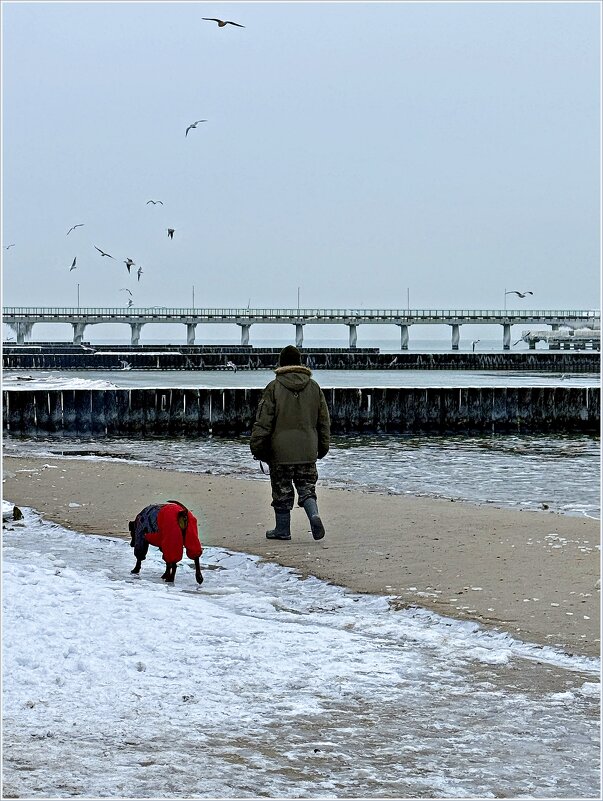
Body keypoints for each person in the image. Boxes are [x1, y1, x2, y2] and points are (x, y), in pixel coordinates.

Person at [250, 344, 330, 541]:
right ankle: (314, 515)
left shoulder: (274, 387)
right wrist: (322, 448)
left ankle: (282, 530)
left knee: (282, 492)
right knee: (307, 488)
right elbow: (323, 422)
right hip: (307, 450)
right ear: (300, 363)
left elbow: (263, 422)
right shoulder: (314, 387)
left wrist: (257, 447)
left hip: (280, 452)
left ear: (281, 363)